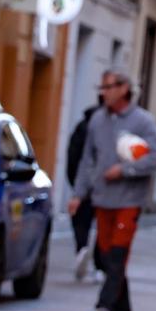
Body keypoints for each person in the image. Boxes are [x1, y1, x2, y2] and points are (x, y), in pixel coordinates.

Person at [69, 70, 156, 311]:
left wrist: (125, 170)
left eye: (109, 87)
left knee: (117, 255)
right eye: (101, 87)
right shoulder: (97, 120)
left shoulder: (143, 121)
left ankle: (104, 307)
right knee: (106, 257)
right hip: (102, 199)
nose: (103, 92)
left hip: (129, 200)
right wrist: (78, 194)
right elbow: (87, 160)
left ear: (124, 88)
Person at [66, 98, 105, 281]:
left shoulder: (82, 126)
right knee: (103, 226)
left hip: (83, 185)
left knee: (80, 221)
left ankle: (82, 247)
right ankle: (99, 265)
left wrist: (75, 183)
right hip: (105, 185)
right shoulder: (108, 127)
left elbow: (72, 155)